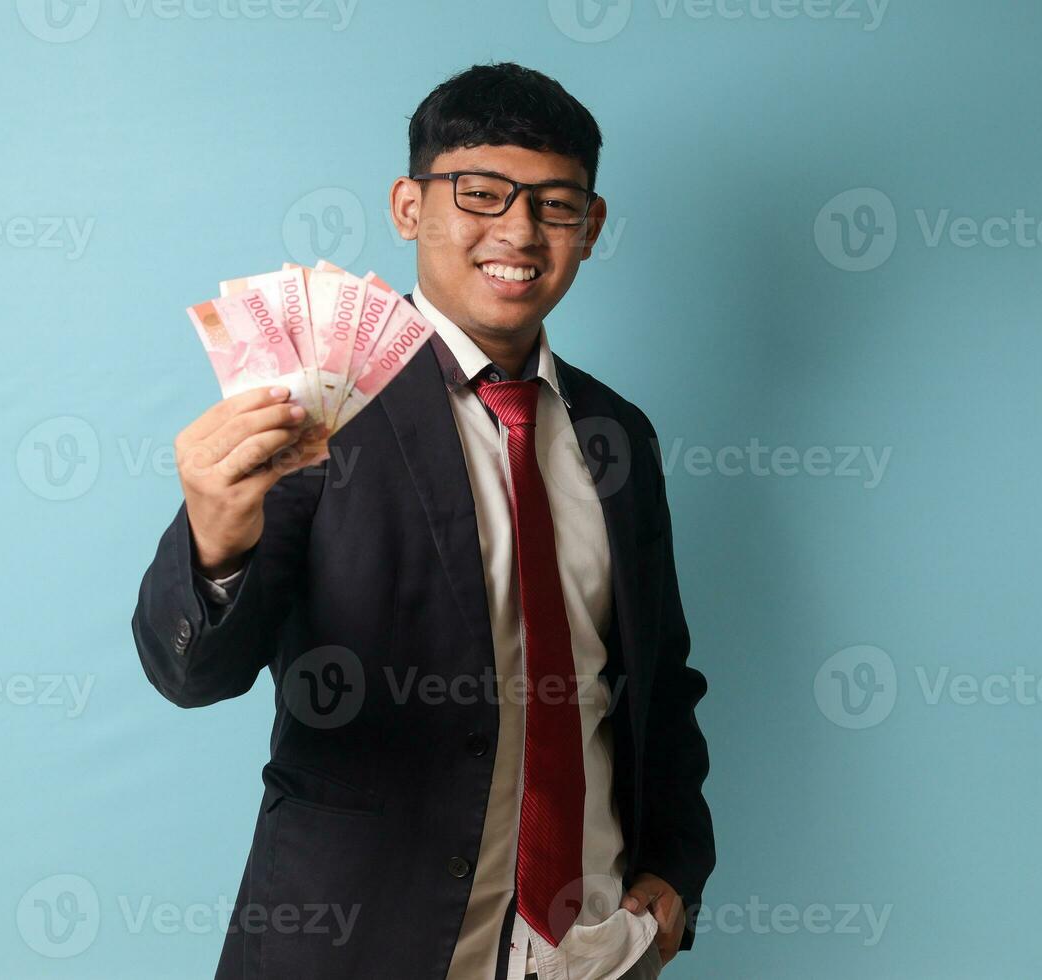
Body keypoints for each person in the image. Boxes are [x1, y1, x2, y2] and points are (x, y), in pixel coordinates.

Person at [132, 62, 715, 980]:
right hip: (359, 938)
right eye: (480, 194)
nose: (518, 232)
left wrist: (677, 870)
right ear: (409, 205)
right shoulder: (317, 401)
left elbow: (658, 680)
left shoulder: (618, 436)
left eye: (556, 206)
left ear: (591, 228)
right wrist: (213, 539)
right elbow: (192, 672)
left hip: (588, 947)